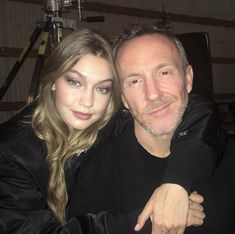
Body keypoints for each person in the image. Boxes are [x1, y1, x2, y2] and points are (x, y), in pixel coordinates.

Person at [0, 27, 209, 234]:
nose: (87, 102)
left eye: (102, 88)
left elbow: (197, 108)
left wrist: (176, 182)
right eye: (74, 82)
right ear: (53, 81)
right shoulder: (10, 154)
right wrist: (150, 220)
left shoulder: (104, 119)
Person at [67, 24, 232, 234]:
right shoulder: (95, 169)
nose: (152, 93)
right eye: (135, 81)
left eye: (163, 72)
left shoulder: (227, 155)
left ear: (188, 78)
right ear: (123, 98)